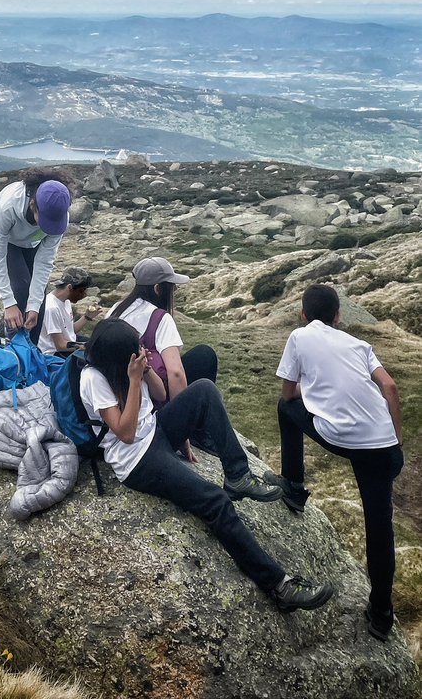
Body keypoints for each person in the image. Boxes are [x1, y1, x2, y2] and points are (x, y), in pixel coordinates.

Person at [80, 320, 333, 612]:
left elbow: (161, 396)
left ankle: (237, 474)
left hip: (156, 432)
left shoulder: (130, 368)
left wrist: (147, 372)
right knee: (215, 501)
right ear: (120, 357)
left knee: (204, 389)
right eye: (137, 348)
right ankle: (280, 586)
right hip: (137, 460)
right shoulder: (94, 379)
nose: (143, 350)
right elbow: (125, 434)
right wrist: (134, 380)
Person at [264, 283, 403, 641]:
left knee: (285, 410)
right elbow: (390, 388)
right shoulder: (359, 345)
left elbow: (289, 393)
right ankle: (382, 614)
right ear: (339, 316)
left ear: (303, 315)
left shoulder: (298, 336)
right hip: (384, 443)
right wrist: (397, 442)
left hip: (343, 437)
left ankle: (293, 486)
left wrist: (312, 389)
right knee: (379, 527)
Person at [106, 257, 218, 406]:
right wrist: (180, 412)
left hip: (116, 391)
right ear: (158, 289)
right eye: (171, 286)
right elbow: (176, 373)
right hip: (150, 400)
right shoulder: (159, 318)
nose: (175, 290)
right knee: (204, 355)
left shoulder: (116, 309)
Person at [0, 167, 75, 332]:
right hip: (1, 231)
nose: (49, 226)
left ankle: (32, 350)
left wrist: (34, 306)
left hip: (31, 240)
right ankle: (13, 348)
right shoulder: (8, 207)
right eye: (45, 220)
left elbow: (45, 261)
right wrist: (8, 304)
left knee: (38, 303)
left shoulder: (60, 215)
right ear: (34, 205)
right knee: (21, 287)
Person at [37, 267, 102, 355]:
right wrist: (87, 346)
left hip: (67, 344)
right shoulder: (51, 308)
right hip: (54, 353)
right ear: (70, 287)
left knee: (99, 346)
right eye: (81, 291)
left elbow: (70, 331)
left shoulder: (65, 301)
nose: (83, 295)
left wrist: (87, 316)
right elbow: (60, 345)